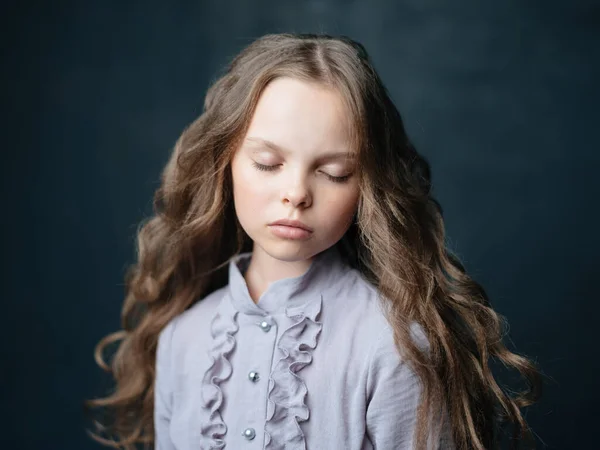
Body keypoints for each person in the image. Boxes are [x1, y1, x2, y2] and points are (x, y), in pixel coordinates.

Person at [86, 33, 542, 450]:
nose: (297, 193)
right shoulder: (181, 341)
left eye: (334, 173)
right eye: (267, 162)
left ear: (367, 187)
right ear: (224, 162)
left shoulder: (394, 347)